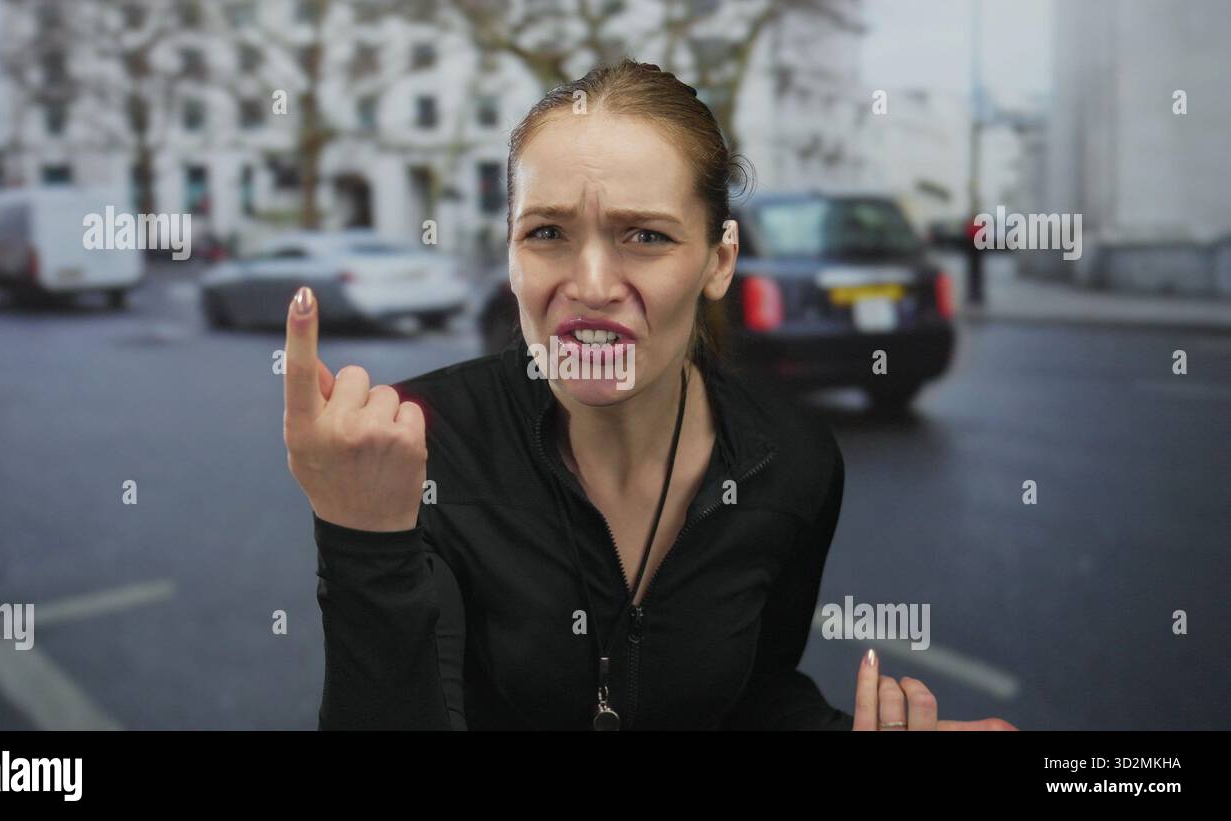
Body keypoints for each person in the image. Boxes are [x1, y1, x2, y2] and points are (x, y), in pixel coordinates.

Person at [282, 58, 1017, 731]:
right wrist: (364, 537)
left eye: (646, 237)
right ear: (509, 253)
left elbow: (753, 691)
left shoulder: (793, 460)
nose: (593, 286)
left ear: (719, 261)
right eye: (546, 232)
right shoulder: (418, 445)